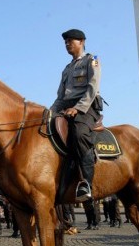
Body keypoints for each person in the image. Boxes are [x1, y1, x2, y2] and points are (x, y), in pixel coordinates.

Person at [50, 28, 103, 202]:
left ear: (81, 42)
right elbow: (60, 96)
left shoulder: (92, 60)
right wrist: (49, 113)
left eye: (70, 41)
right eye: (65, 42)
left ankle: (86, 182)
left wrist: (78, 108)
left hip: (86, 107)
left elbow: (92, 88)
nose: (67, 44)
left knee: (79, 134)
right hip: (66, 107)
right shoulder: (66, 69)